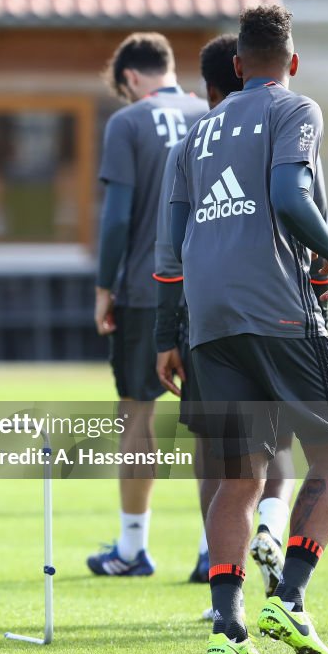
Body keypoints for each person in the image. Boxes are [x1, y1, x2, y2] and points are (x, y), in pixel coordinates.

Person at [168, 5, 328, 654]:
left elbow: (170, 250)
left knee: (238, 476)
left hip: (207, 320)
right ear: (292, 62)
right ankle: (292, 597)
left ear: (236, 65)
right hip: (276, 306)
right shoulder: (293, 109)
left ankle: (226, 628)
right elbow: (289, 196)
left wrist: (172, 335)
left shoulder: (191, 138)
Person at [88, 32, 207, 577]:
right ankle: (216, 550)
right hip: (212, 289)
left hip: (145, 287)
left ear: (131, 78)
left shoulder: (128, 122)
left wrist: (104, 286)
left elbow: (115, 217)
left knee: (138, 414)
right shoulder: (212, 112)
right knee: (218, 419)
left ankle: (132, 548)